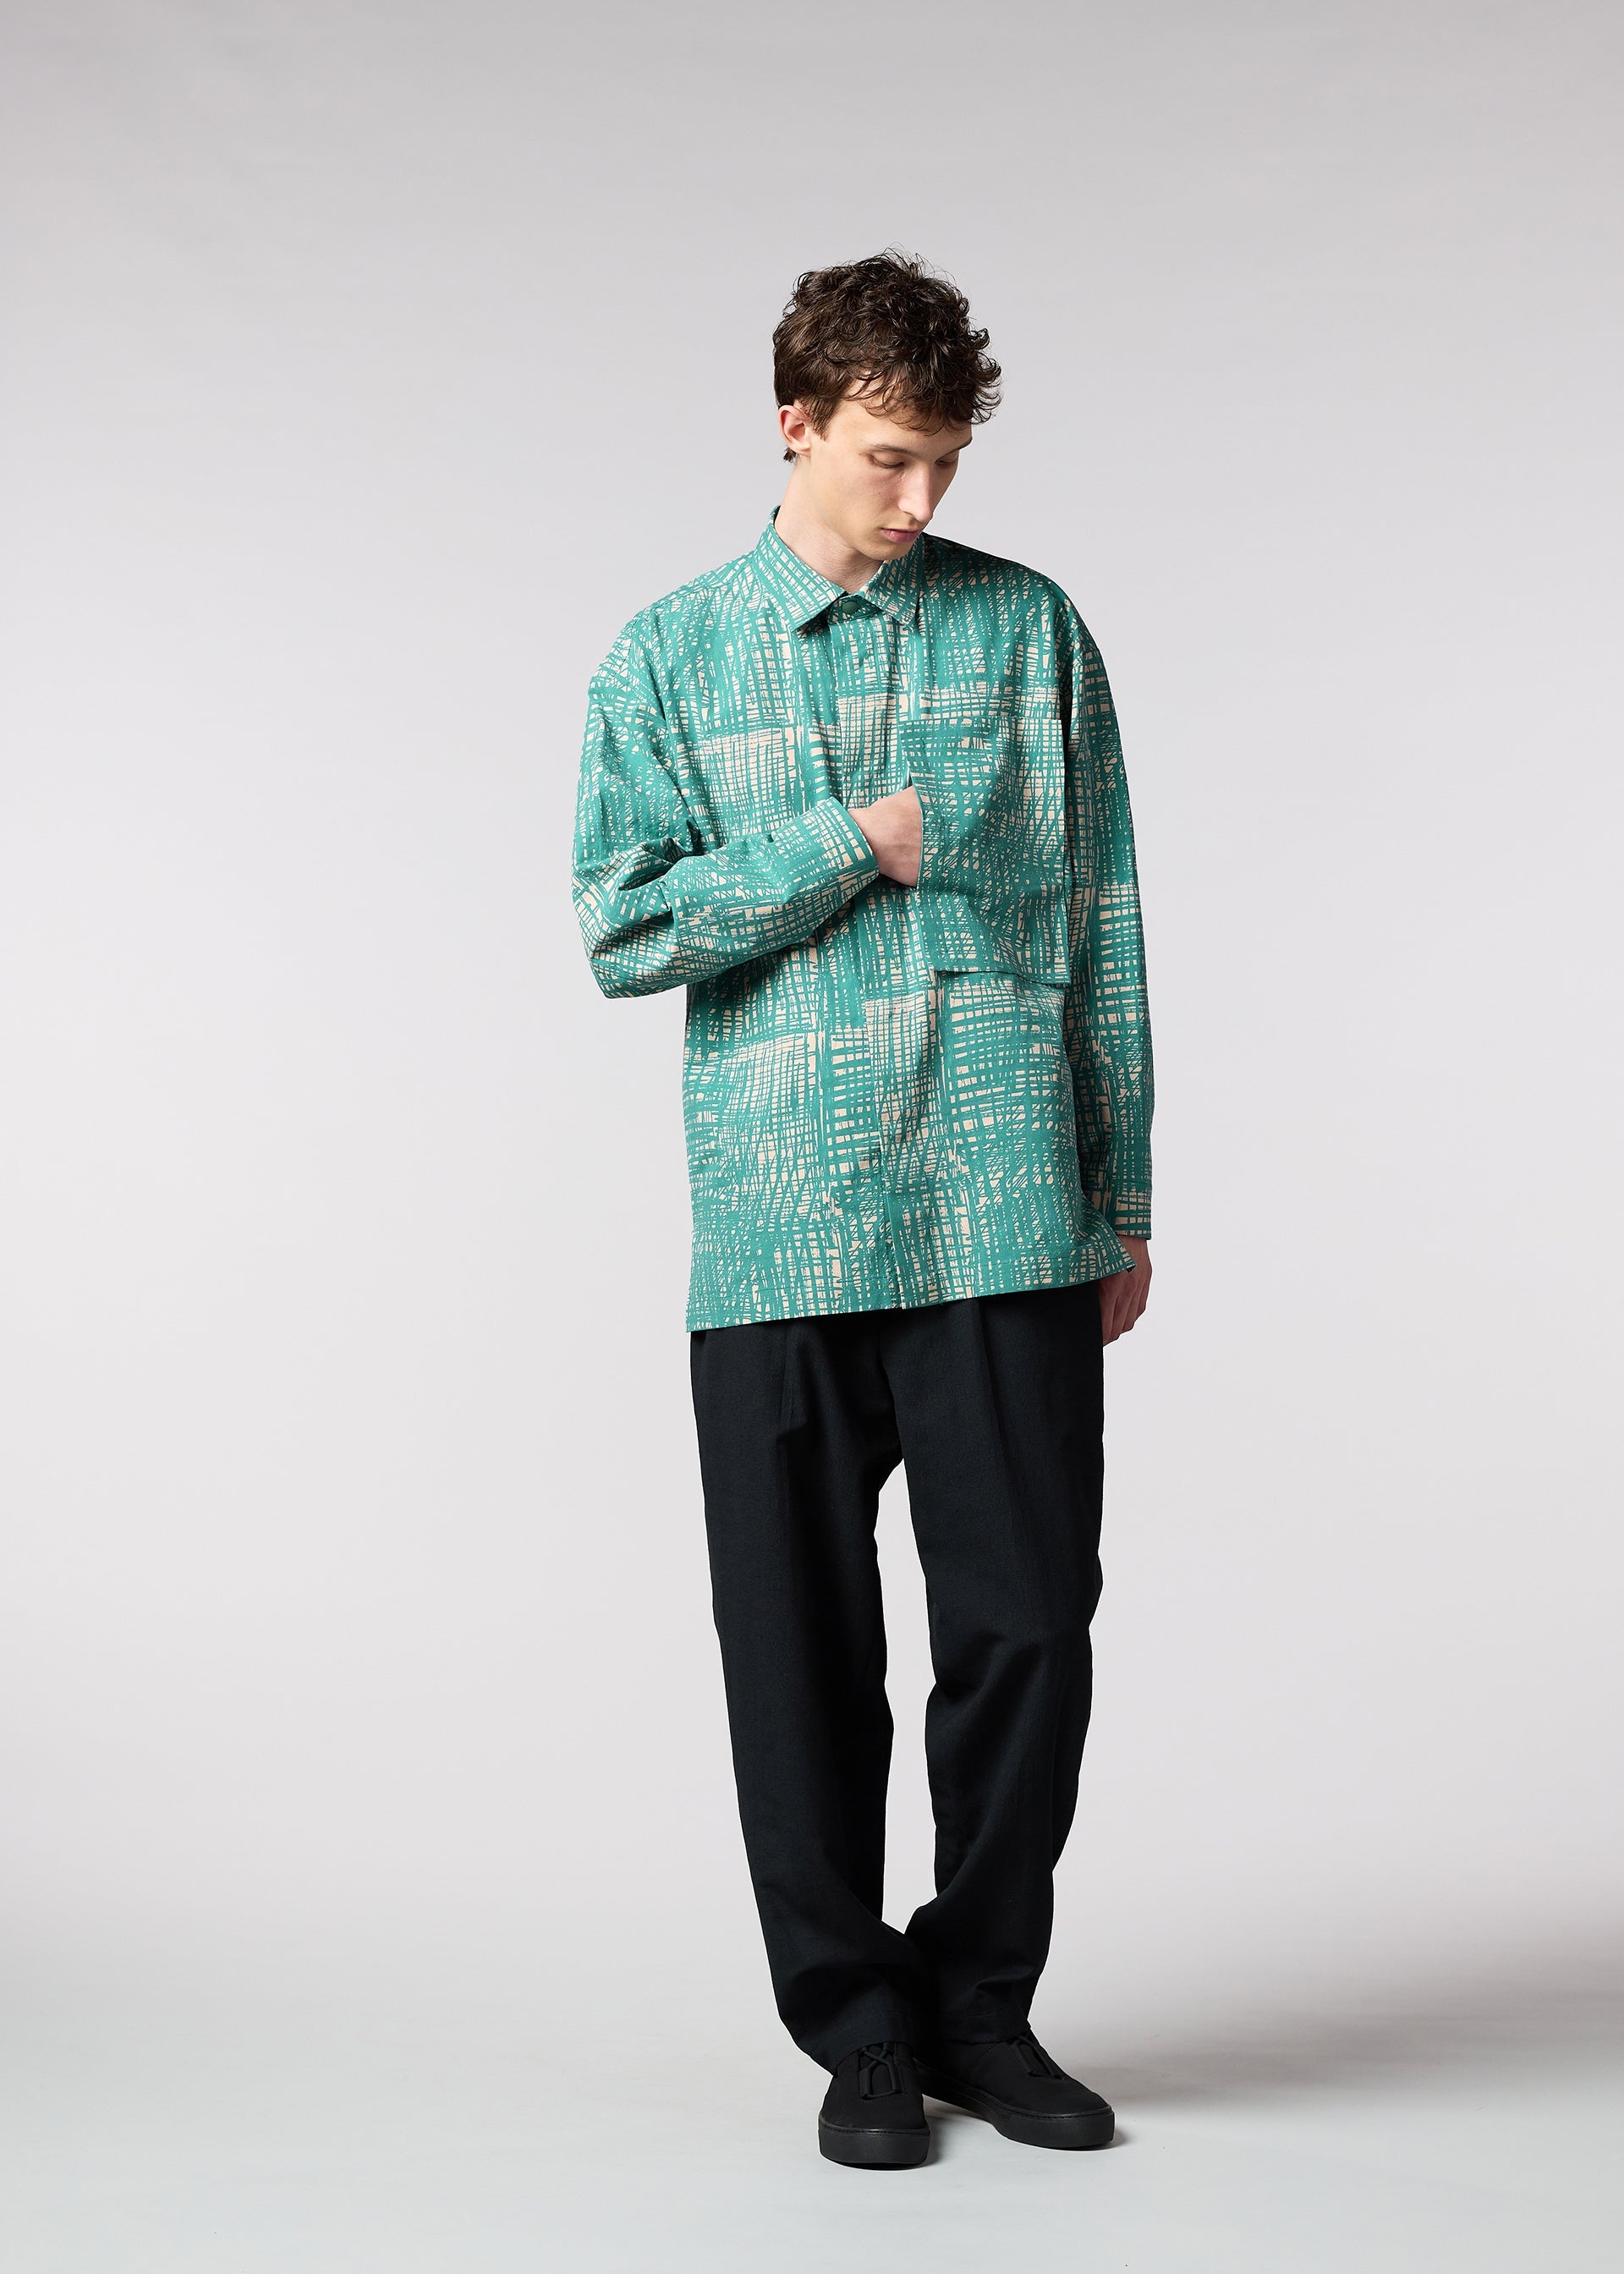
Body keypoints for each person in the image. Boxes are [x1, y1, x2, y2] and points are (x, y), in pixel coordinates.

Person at [571, 250, 1153, 2168]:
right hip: (781, 1223)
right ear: (797, 423)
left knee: (1030, 1628)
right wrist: (843, 845)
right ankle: (858, 2031)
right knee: (799, 1652)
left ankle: (981, 2004)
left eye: (946, 462)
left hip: (1007, 1205)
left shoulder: (1030, 631)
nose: (922, 497)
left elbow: (1104, 924)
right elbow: (623, 924)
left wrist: (1125, 1193)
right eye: (890, 457)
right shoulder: (666, 657)